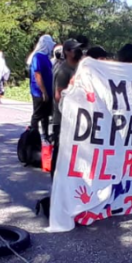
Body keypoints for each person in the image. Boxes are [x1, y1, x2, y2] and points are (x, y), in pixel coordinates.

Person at [51, 39, 83, 178]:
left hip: (77, 119)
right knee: (59, 154)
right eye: (75, 49)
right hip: (62, 119)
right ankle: (55, 182)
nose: (78, 51)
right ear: (67, 52)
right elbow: (58, 96)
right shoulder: (63, 70)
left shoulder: (79, 68)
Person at [28, 34, 56, 141]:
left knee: (45, 114)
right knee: (37, 114)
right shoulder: (37, 57)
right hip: (39, 92)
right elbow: (37, 74)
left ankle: (45, 135)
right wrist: (43, 91)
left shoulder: (46, 57)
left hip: (47, 91)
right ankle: (33, 136)